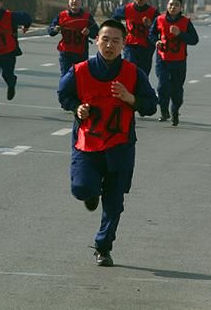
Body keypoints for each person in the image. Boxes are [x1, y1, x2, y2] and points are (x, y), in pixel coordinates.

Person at [57, 19, 158, 267]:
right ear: (96, 41)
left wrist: (130, 97)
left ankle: (103, 246)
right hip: (87, 143)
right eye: (105, 39)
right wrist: (76, 108)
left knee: (114, 204)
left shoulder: (133, 74)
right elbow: (64, 94)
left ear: (124, 44)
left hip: (119, 146)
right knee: (82, 188)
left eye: (115, 40)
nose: (109, 45)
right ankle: (91, 193)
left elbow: (150, 105)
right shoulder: (80, 70)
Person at [148, 0, 200, 126]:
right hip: (163, 60)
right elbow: (151, 34)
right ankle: (164, 111)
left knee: (177, 90)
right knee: (162, 86)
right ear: (167, 6)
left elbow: (194, 40)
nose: (173, 7)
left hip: (179, 61)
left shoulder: (185, 22)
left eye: (176, 5)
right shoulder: (159, 19)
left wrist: (180, 34)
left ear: (180, 7)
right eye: (171, 4)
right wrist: (156, 41)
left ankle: (175, 111)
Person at [48, 0, 99, 78]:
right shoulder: (62, 15)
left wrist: (89, 32)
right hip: (65, 53)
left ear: (81, 2)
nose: (74, 1)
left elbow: (97, 33)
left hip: (81, 54)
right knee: (66, 78)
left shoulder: (87, 17)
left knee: (80, 78)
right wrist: (55, 29)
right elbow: (50, 30)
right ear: (69, 2)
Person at [112, 0, 158, 76]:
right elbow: (114, 18)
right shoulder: (126, 9)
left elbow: (160, 28)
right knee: (130, 68)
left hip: (146, 46)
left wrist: (151, 24)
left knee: (143, 73)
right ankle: (129, 88)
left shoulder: (153, 12)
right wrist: (121, 30)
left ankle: (140, 89)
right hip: (130, 44)